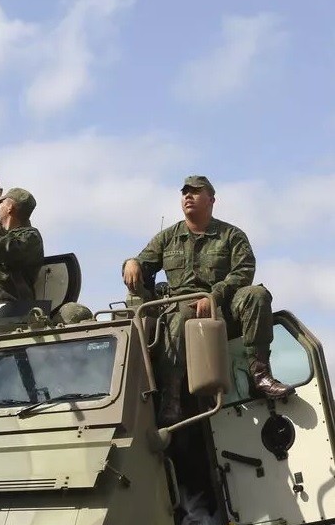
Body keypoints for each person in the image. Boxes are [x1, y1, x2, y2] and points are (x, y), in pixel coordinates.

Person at [123, 175, 292, 422]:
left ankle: (260, 375)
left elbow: (244, 271)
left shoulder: (231, 235)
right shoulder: (168, 237)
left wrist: (214, 295)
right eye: (185, 192)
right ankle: (171, 400)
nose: (188, 196)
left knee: (257, 295)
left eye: (195, 191)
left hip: (225, 304)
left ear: (211, 199)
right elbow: (143, 264)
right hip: (183, 305)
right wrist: (131, 263)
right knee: (178, 316)